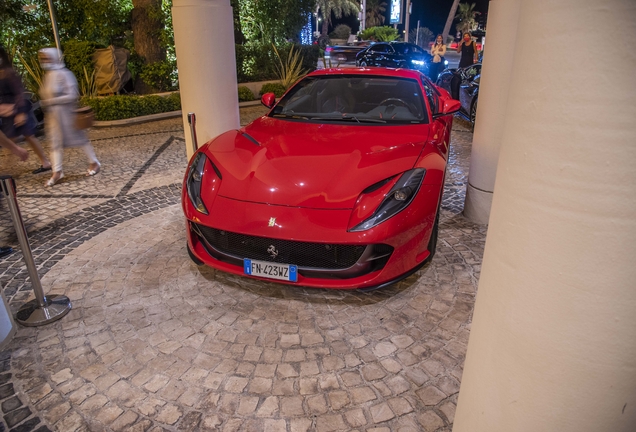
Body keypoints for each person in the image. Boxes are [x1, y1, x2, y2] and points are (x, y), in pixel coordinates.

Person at [38, 48, 100, 187]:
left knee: (79, 138)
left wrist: (53, 101)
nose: (44, 62)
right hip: (53, 117)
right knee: (55, 143)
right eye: (42, 59)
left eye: (47, 59)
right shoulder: (47, 76)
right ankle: (57, 171)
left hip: (67, 114)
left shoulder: (64, 74)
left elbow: (73, 94)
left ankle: (94, 162)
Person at [0, 46, 52, 174]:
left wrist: (20, 112)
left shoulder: (9, 72)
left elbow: (19, 93)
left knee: (30, 136)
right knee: (10, 139)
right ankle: (6, 168)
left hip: (19, 110)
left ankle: (45, 162)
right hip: (6, 112)